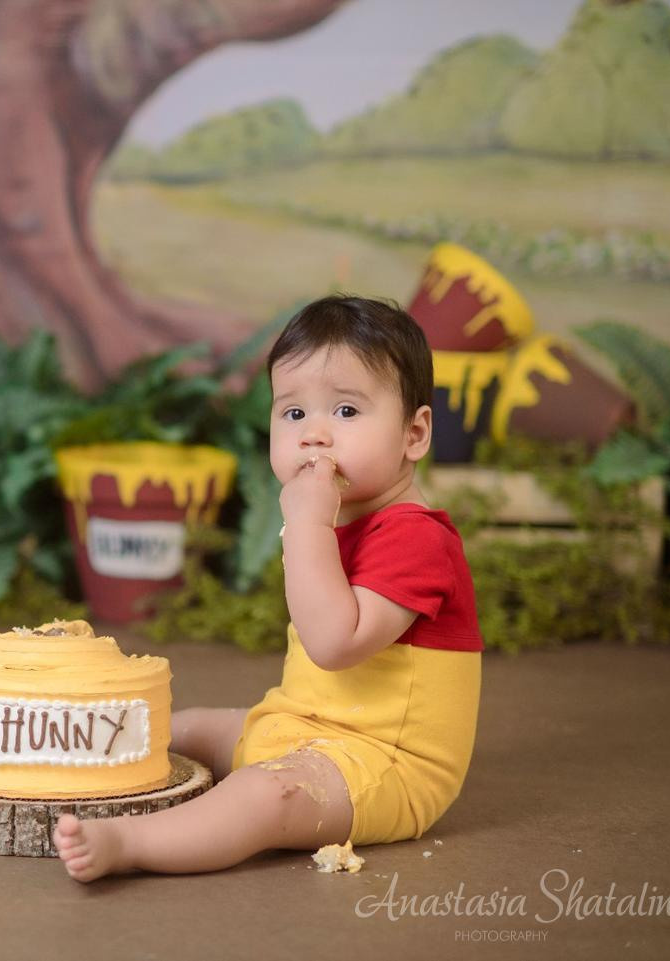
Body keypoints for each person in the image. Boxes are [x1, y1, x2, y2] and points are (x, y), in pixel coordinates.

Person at [54, 295, 483, 881]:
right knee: (196, 726)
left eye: (348, 412)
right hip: (302, 726)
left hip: (382, 763)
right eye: (294, 414)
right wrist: (314, 524)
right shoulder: (336, 519)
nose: (315, 436)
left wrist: (305, 524)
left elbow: (334, 644)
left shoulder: (417, 538)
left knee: (263, 795)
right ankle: (73, 756)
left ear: (414, 433)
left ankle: (130, 842)